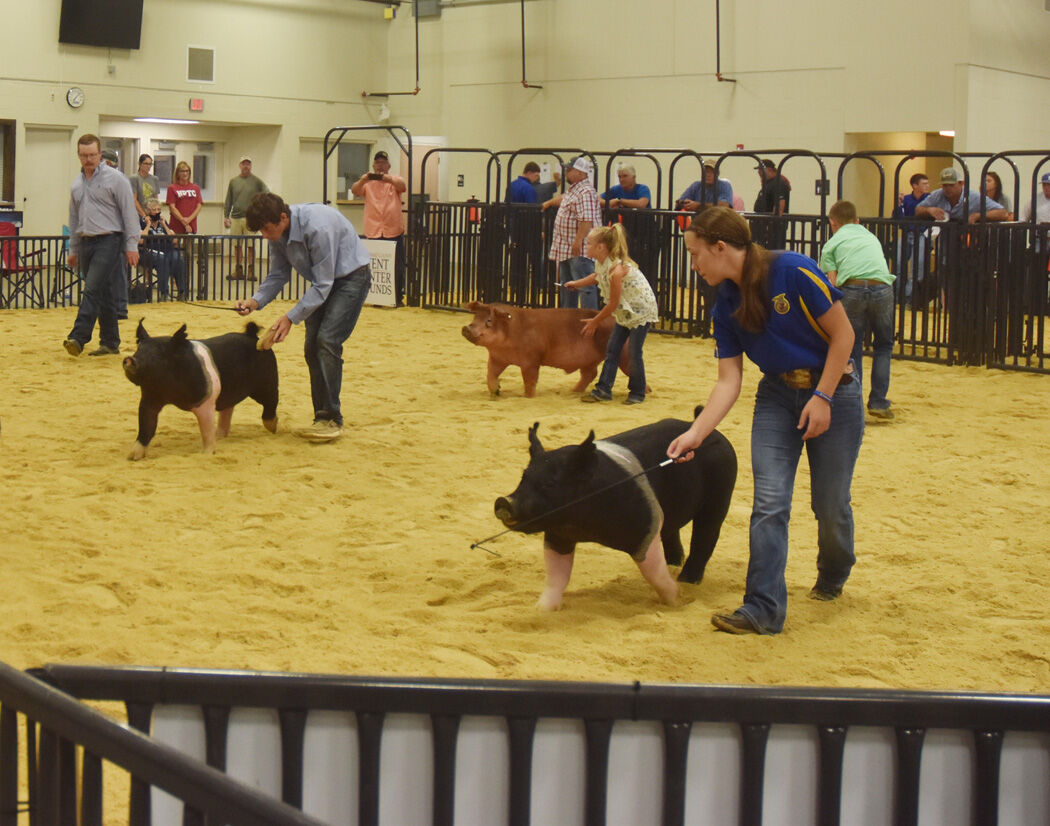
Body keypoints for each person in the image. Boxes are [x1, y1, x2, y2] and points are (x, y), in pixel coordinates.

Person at [667, 206, 862, 636]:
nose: (693, 264)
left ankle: (834, 570)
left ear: (720, 247)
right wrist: (696, 434)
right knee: (770, 502)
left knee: (830, 503)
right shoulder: (725, 303)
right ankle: (762, 607)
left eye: (695, 254)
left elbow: (844, 335)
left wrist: (823, 397)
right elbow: (729, 380)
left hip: (836, 390)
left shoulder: (793, 270)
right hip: (776, 396)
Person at [236, 193, 371, 442]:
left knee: (327, 341)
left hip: (352, 278)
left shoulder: (318, 227)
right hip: (325, 282)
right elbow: (278, 274)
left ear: (283, 217)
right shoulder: (277, 234)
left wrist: (290, 318)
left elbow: (323, 284)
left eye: (266, 229)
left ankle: (333, 418)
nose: (264, 236)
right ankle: (321, 417)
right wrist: (255, 301)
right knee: (311, 348)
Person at [63, 133, 140, 357]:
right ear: (78, 155)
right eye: (84, 155)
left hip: (109, 240)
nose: (88, 159)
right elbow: (74, 219)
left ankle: (78, 337)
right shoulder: (76, 184)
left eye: (92, 155)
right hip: (86, 242)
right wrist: (73, 249)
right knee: (103, 292)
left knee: (92, 288)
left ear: (100, 154)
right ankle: (110, 343)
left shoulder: (116, 179)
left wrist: (132, 245)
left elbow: (129, 213)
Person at [820, 200, 896, 419]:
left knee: (851, 345)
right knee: (884, 345)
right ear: (857, 221)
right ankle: (879, 402)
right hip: (881, 287)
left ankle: (855, 403)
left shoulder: (831, 244)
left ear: (833, 223)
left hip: (852, 288)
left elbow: (832, 283)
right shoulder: (871, 237)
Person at [567, 223, 659, 405]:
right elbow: (597, 277)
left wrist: (595, 321)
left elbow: (613, 303)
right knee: (612, 349)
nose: (586, 246)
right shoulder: (602, 264)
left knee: (633, 352)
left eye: (589, 243)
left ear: (601, 247)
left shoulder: (617, 270)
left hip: (640, 312)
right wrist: (577, 283)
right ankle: (603, 390)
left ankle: (637, 392)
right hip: (626, 312)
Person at [542, 155, 602, 309]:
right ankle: (569, 319)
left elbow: (587, 220)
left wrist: (578, 242)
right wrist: (548, 203)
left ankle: (589, 318)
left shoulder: (586, 192)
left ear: (579, 172)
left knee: (585, 287)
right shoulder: (575, 190)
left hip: (578, 249)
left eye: (569, 170)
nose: (566, 173)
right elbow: (563, 198)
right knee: (568, 287)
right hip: (567, 248)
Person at [350, 150, 407, 306]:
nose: (380, 166)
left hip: (393, 230)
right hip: (373, 230)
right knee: (375, 266)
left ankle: (397, 297)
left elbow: (402, 187)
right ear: (373, 165)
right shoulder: (367, 183)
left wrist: (387, 179)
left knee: (396, 266)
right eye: (377, 163)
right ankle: (376, 297)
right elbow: (355, 190)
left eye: (383, 163)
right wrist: (364, 179)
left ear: (389, 165)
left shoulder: (395, 180)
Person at [223, 156, 269, 279]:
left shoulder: (257, 181)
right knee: (237, 245)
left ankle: (251, 270)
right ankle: (238, 270)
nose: (246, 166)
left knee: (251, 245)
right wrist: (226, 216)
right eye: (243, 164)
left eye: (248, 164)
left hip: (251, 218)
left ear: (251, 166)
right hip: (236, 217)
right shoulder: (233, 182)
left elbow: (267, 193)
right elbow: (229, 200)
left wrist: (260, 211)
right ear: (240, 166)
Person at [505, 162, 542, 305]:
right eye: (536, 175)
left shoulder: (511, 185)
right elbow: (532, 212)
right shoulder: (529, 189)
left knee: (517, 260)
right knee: (533, 260)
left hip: (514, 228)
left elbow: (506, 206)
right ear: (530, 173)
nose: (537, 179)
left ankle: (516, 291)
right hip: (528, 230)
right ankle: (533, 295)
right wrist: (539, 230)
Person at [915, 167, 1009, 223]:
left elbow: (1002, 213)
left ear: (961, 184)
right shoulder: (937, 194)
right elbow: (918, 210)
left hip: (968, 239)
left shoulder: (974, 197)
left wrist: (978, 216)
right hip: (945, 240)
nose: (947, 188)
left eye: (951, 185)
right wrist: (929, 210)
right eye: (945, 185)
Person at [891, 172, 930, 305]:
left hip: (921, 234)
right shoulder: (906, 199)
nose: (927, 186)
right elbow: (897, 218)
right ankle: (897, 297)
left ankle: (909, 298)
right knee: (898, 264)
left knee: (917, 267)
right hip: (907, 234)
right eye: (924, 184)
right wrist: (898, 204)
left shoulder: (930, 199)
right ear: (915, 185)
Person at [139, 197, 188, 300]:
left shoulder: (163, 222)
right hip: (148, 251)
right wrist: (148, 225)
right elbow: (141, 241)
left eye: (159, 209)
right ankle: (164, 293)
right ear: (147, 211)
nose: (157, 212)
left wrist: (165, 225)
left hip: (166, 249)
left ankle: (182, 292)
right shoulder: (141, 222)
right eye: (154, 210)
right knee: (162, 259)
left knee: (178, 258)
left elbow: (174, 240)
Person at [166, 161, 203, 234]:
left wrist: (189, 219)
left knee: (189, 241)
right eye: (182, 171)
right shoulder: (172, 188)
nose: (185, 173)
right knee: (175, 241)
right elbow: (172, 207)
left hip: (191, 223)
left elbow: (199, 206)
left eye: (187, 171)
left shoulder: (195, 188)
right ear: (178, 173)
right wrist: (183, 221)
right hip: (177, 224)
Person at [129, 153, 160, 219]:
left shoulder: (155, 179)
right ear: (140, 164)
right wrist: (144, 215)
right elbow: (134, 200)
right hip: (138, 214)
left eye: (150, 164)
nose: (148, 166)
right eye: (146, 164)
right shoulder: (134, 178)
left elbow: (156, 200)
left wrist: (156, 213)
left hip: (152, 214)